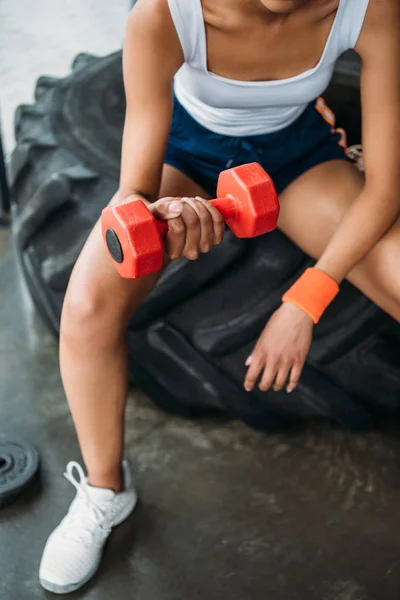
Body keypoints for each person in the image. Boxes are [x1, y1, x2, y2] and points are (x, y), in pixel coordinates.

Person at [39, 0, 400, 593]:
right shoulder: (163, 16)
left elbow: (383, 189)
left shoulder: (369, 10)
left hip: (297, 154)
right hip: (184, 152)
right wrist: (162, 211)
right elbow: (133, 188)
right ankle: (105, 491)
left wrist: (304, 298)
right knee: (87, 306)